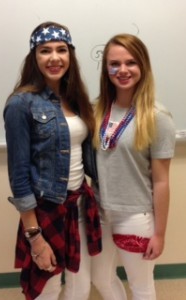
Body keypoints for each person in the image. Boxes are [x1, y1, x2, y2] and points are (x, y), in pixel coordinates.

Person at [4, 21, 102, 300]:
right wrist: (34, 237)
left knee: (80, 286)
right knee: (47, 287)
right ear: (34, 57)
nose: (54, 58)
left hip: (79, 205)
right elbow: (19, 175)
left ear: (70, 55)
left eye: (62, 49)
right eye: (45, 50)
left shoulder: (77, 99)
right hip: (46, 210)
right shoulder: (20, 104)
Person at [92, 33, 176, 300]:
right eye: (114, 63)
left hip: (135, 216)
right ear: (106, 69)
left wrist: (159, 234)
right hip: (100, 213)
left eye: (131, 62)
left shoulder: (156, 116)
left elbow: (162, 181)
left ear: (143, 66)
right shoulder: (97, 110)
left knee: (140, 285)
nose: (123, 70)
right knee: (100, 278)